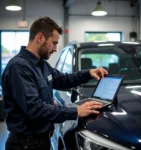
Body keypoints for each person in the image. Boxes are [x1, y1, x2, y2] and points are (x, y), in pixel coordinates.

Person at [2, 16, 108, 150]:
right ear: (40, 37)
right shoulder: (18, 67)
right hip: (25, 144)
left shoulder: (43, 65)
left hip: (41, 141)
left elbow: (63, 80)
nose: (55, 48)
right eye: (54, 43)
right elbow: (35, 109)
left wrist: (89, 73)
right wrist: (76, 111)